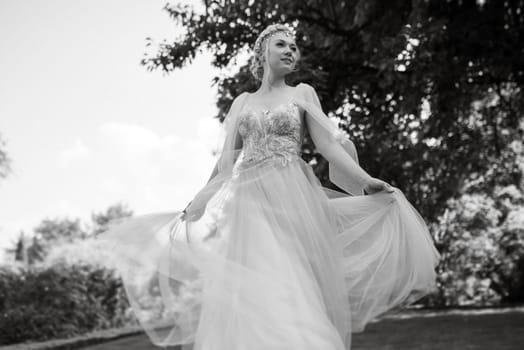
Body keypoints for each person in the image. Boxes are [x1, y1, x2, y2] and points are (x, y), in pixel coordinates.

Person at [99, 23, 440, 350]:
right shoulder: (242, 103)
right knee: (252, 286)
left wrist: (365, 179)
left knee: (286, 279)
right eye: (282, 44)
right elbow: (225, 163)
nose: (291, 50)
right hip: (246, 201)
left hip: (290, 195)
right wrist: (201, 198)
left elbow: (329, 146)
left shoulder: (302, 93)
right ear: (262, 52)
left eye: (294, 47)